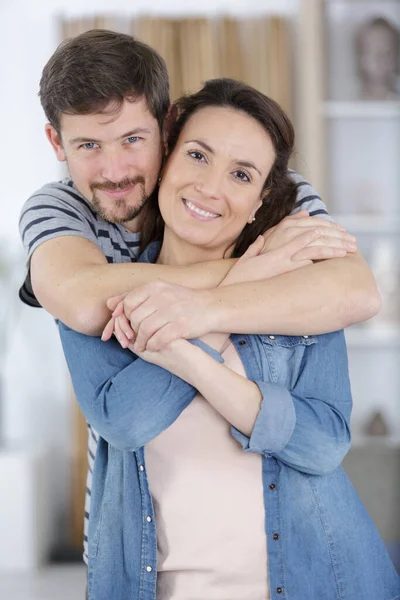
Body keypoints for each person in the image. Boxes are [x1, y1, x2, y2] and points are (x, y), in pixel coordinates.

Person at [18, 30, 380, 571]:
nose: (114, 171)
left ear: (164, 129)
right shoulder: (64, 212)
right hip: (139, 553)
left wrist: (202, 311)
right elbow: (78, 301)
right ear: (56, 143)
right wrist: (253, 271)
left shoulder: (275, 195)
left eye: (132, 140)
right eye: (88, 145)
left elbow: (356, 291)